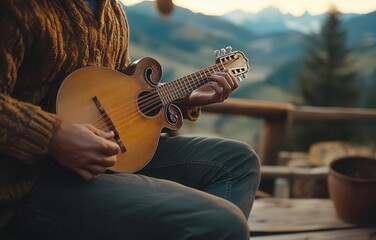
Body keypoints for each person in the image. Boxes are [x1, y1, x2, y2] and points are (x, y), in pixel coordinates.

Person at [0, 0, 261, 239]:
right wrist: (52, 135)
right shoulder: (21, 8)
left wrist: (186, 98)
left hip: (106, 159)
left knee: (238, 161)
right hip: (29, 181)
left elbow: (122, 101)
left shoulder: (113, 12)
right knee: (223, 223)